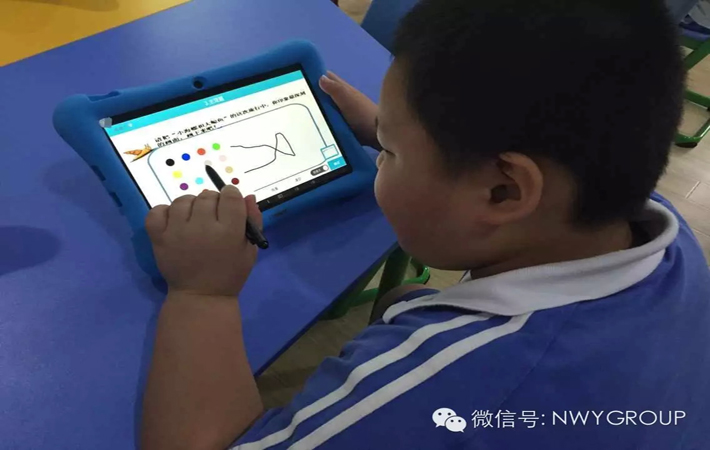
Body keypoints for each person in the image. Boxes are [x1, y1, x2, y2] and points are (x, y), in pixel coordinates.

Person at [140, 0, 710, 449]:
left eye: (389, 152)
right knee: (406, 296)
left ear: (504, 190)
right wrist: (397, 135)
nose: (380, 157)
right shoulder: (654, 229)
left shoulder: (454, 391)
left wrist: (202, 295)